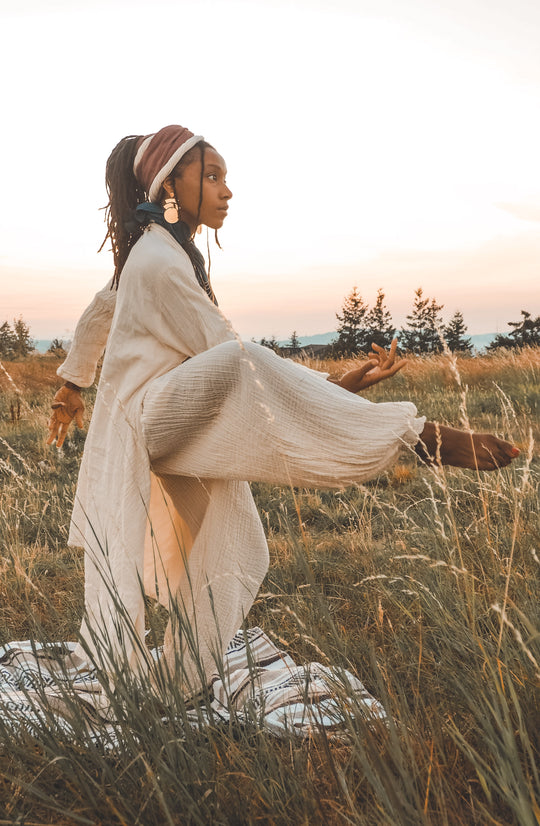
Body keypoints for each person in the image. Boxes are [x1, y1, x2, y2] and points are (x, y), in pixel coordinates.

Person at [47, 124, 519, 693]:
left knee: (242, 547)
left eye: (226, 178)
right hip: (149, 419)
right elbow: (227, 356)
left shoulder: (160, 253)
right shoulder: (157, 261)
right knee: (243, 357)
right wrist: (335, 386)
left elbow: (104, 307)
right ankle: (417, 436)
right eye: (213, 176)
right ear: (171, 184)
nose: (227, 191)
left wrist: (70, 388)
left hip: (181, 419)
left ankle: (172, 684)